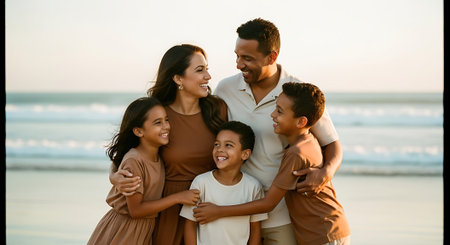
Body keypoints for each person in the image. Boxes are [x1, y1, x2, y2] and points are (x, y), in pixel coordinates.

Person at [193, 18, 343, 244]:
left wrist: (325, 173)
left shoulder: (297, 93)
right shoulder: (226, 88)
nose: (238, 64)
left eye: (247, 58)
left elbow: (331, 142)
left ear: (271, 57)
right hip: (235, 210)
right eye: (237, 56)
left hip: (281, 216)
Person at [192, 83, 351, 245]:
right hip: (325, 230)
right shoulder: (307, 141)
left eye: (280, 112)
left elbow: (268, 204)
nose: (272, 115)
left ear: (301, 122)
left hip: (324, 233)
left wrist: (218, 211)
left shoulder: (297, 153)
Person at [109, 44, 228, 245]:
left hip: (210, 206)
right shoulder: (158, 115)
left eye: (207, 69)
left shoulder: (218, 109)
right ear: (178, 78)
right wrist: (114, 177)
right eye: (200, 70)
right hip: (168, 211)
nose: (208, 76)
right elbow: (126, 153)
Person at [87, 97, 201, 244]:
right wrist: (178, 197)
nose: (166, 126)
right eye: (157, 123)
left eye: (166, 120)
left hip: (142, 230)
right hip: (124, 230)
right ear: (139, 131)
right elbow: (136, 210)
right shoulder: (135, 160)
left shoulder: (157, 156)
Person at [180, 121, 268, 245]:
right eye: (216, 144)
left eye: (228, 145)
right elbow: (190, 225)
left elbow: (255, 230)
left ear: (245, 154)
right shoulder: (201, 182)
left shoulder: (253, 187)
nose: (220, 149)